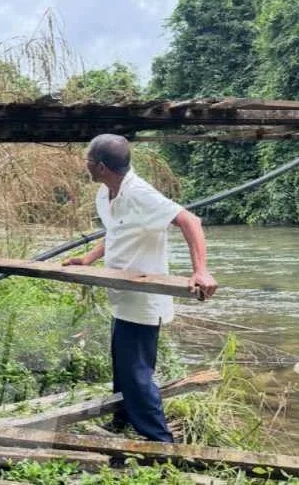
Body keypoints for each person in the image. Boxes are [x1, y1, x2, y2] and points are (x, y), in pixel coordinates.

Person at [64, 134, 217, 443]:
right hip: (122, 293)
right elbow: (117, 233)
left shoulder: (140, 193)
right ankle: (122, 421)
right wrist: (88, 258)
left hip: (144, 299)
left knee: (136, 372)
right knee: (123, 366)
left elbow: (191, 221)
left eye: (88, 162)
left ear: (102, 166)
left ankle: (160, 441)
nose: (86, 166)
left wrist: (200, 270)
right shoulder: (107, 193)